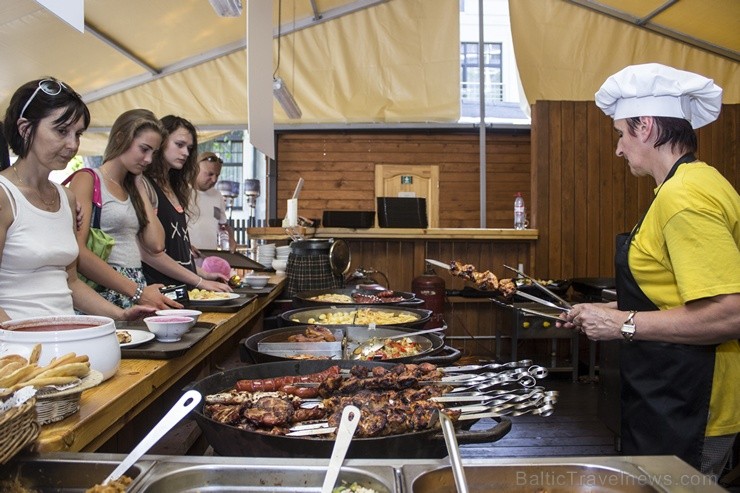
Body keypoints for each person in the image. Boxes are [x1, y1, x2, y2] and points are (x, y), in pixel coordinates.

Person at [560, 63, 739, 477]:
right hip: (668, 389)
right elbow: (677, 287)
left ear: (646, 127)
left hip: (693, 401)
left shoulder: (685, 197)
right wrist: (611, 307)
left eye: (622, 133)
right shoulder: (693, 182)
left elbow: (731, 312)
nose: (619, 148)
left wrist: (621, 323)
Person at [0, 77, 154, 321]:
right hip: (17, 348)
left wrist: (122, 314)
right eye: (61, 131)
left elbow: (70, 283)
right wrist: (20, 343)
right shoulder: (4, 194)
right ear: (25, 128)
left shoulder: (67, 198)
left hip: (65, 337)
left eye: (78, 134)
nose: (73, 144)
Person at [66, 109, 182, 310]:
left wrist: (138, 185)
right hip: (104, 289)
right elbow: (78, 251)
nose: (148, 159)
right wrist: (136, 291)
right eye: (143, 149)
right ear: (121, 138)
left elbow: (156, 244)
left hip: (136, 287)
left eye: (153, 153)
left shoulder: (134, 186)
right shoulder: (87, 179)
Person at [139, 115, 230, 292]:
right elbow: (150, 252)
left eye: (189, 148)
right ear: (161, 141)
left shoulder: (174, 187)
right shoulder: (144, 185)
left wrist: (203, 274)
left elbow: (176, 252)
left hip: (182, 288)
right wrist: (200, 280)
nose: (186, 153)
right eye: (179, 145)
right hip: (160, 290)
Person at [188, 151, 236, 255]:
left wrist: (231, 239)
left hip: (209, 257)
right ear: (195, 170)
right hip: (186, 257)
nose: (214, 179)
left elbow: (223, 225)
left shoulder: (217, 196)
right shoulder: (182, 193)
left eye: (217, 175)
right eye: (209, 174)